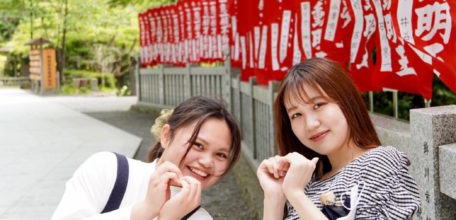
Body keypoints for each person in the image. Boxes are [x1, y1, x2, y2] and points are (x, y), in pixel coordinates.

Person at [257, 58, 420, 219]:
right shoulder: (306, 182)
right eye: (296, 114)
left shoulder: (379, 162)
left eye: (318, 105)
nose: (310, 124)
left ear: (346, 101)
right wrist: (275, 197)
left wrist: (296, 195)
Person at [52, 96, 241, 220]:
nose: (207, 162)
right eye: (198, 145)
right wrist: (145, 210)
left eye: (221, 155)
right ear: (166, 136)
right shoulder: (109, 170)